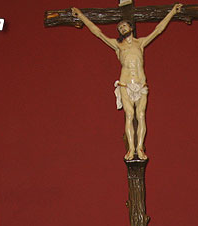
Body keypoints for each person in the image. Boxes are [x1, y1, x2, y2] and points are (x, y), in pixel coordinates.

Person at [71, 4, 183, 161]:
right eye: (120, 28)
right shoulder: (118, 46)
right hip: (125, 84)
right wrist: (81, 15)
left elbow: (158, 29)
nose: (122, 28)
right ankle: (131, 149)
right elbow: (98, 33)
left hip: (141, 83)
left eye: (124, 25)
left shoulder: (141, 43)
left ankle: (140, 148)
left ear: (131, 27)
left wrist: (172, 12)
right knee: (130, 115)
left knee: (141, 115)